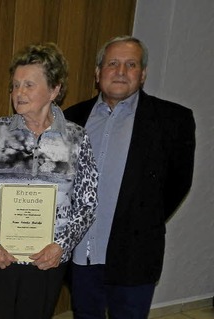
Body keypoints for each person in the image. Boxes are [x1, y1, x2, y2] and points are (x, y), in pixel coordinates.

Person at [0, 43, 99, 318]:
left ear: (54, 90)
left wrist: (61, 245)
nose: (19, 93)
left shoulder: (76, 138)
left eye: (29, 85)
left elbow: (87, 202)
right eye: (15, 85)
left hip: (46, 259)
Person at [65, 35, 196, 318]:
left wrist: (142, 219)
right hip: (80, 255)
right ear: (98, 73)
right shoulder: (70, 119)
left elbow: (177, 184)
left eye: (131, 64)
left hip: (135, 254)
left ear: (143, 74)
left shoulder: (173, 120)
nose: (121, 71)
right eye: (112, 63)